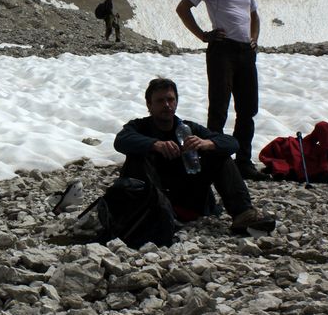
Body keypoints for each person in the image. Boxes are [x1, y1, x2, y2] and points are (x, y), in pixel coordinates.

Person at [114, 77, 275, 234]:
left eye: (170, 99)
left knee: (220, 155)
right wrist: (154, 144)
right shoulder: (139, 127)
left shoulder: (187, 128)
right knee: (136, 156)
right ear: (149, 105)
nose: (167, 105)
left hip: (190, 196)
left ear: (176, 102)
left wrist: (208, 144)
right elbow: (121, 141)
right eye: (160, 101)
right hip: (153, 198)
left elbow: (231, 143)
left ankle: (243, 213)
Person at [175, 0, 267, 181]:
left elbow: (254, 15)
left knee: (247, 108)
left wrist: (254, 38)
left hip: (245, 51)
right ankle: (214, 159)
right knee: (219, 106)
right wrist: (203, 35)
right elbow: (183, 7)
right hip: (222, 50)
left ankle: (243, 161)